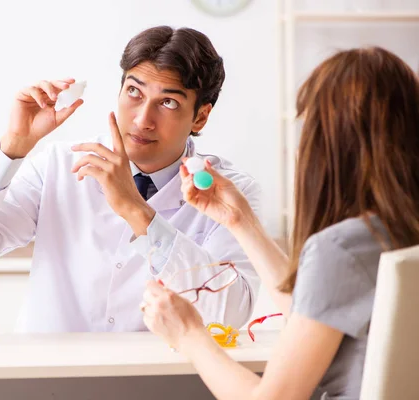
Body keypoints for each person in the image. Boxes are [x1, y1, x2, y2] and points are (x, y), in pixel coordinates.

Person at [0, 26, 262, 333]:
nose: (142, 119)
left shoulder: (230, 191)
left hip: (157, 381)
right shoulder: (59, 165)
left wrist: (138, 213)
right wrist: (12, 148)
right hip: (50, 380)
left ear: (200, 115)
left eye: (168, 102)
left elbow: (229, 314)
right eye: (134, 91)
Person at [141, 46, 419, 399]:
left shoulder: (340, 250)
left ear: (326, 143)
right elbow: (316, 306)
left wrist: (189, 335)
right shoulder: (393, 236)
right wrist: (240, 220)